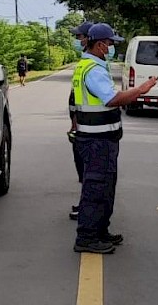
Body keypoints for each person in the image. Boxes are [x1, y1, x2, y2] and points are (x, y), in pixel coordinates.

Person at [72, 22, 157, 254]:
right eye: (110, 44)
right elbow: (112, 99)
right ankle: (87, 238)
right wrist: (141, 90)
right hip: (97, 141)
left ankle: (99, 231)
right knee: (96, 189)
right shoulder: (94, 70)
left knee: (105, 188)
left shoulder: (87, 66)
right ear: (100, 45)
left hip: (97, 138)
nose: (112, 48)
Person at [68, 21, 94, 220]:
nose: (78, 40)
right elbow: (76, 98)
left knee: (89, 171)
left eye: (81, 36)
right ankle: (85, 204)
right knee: (85, 171)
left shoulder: (92, 65)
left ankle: (87, 207)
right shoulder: (85, 63)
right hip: (82, 124)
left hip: (89, 127)